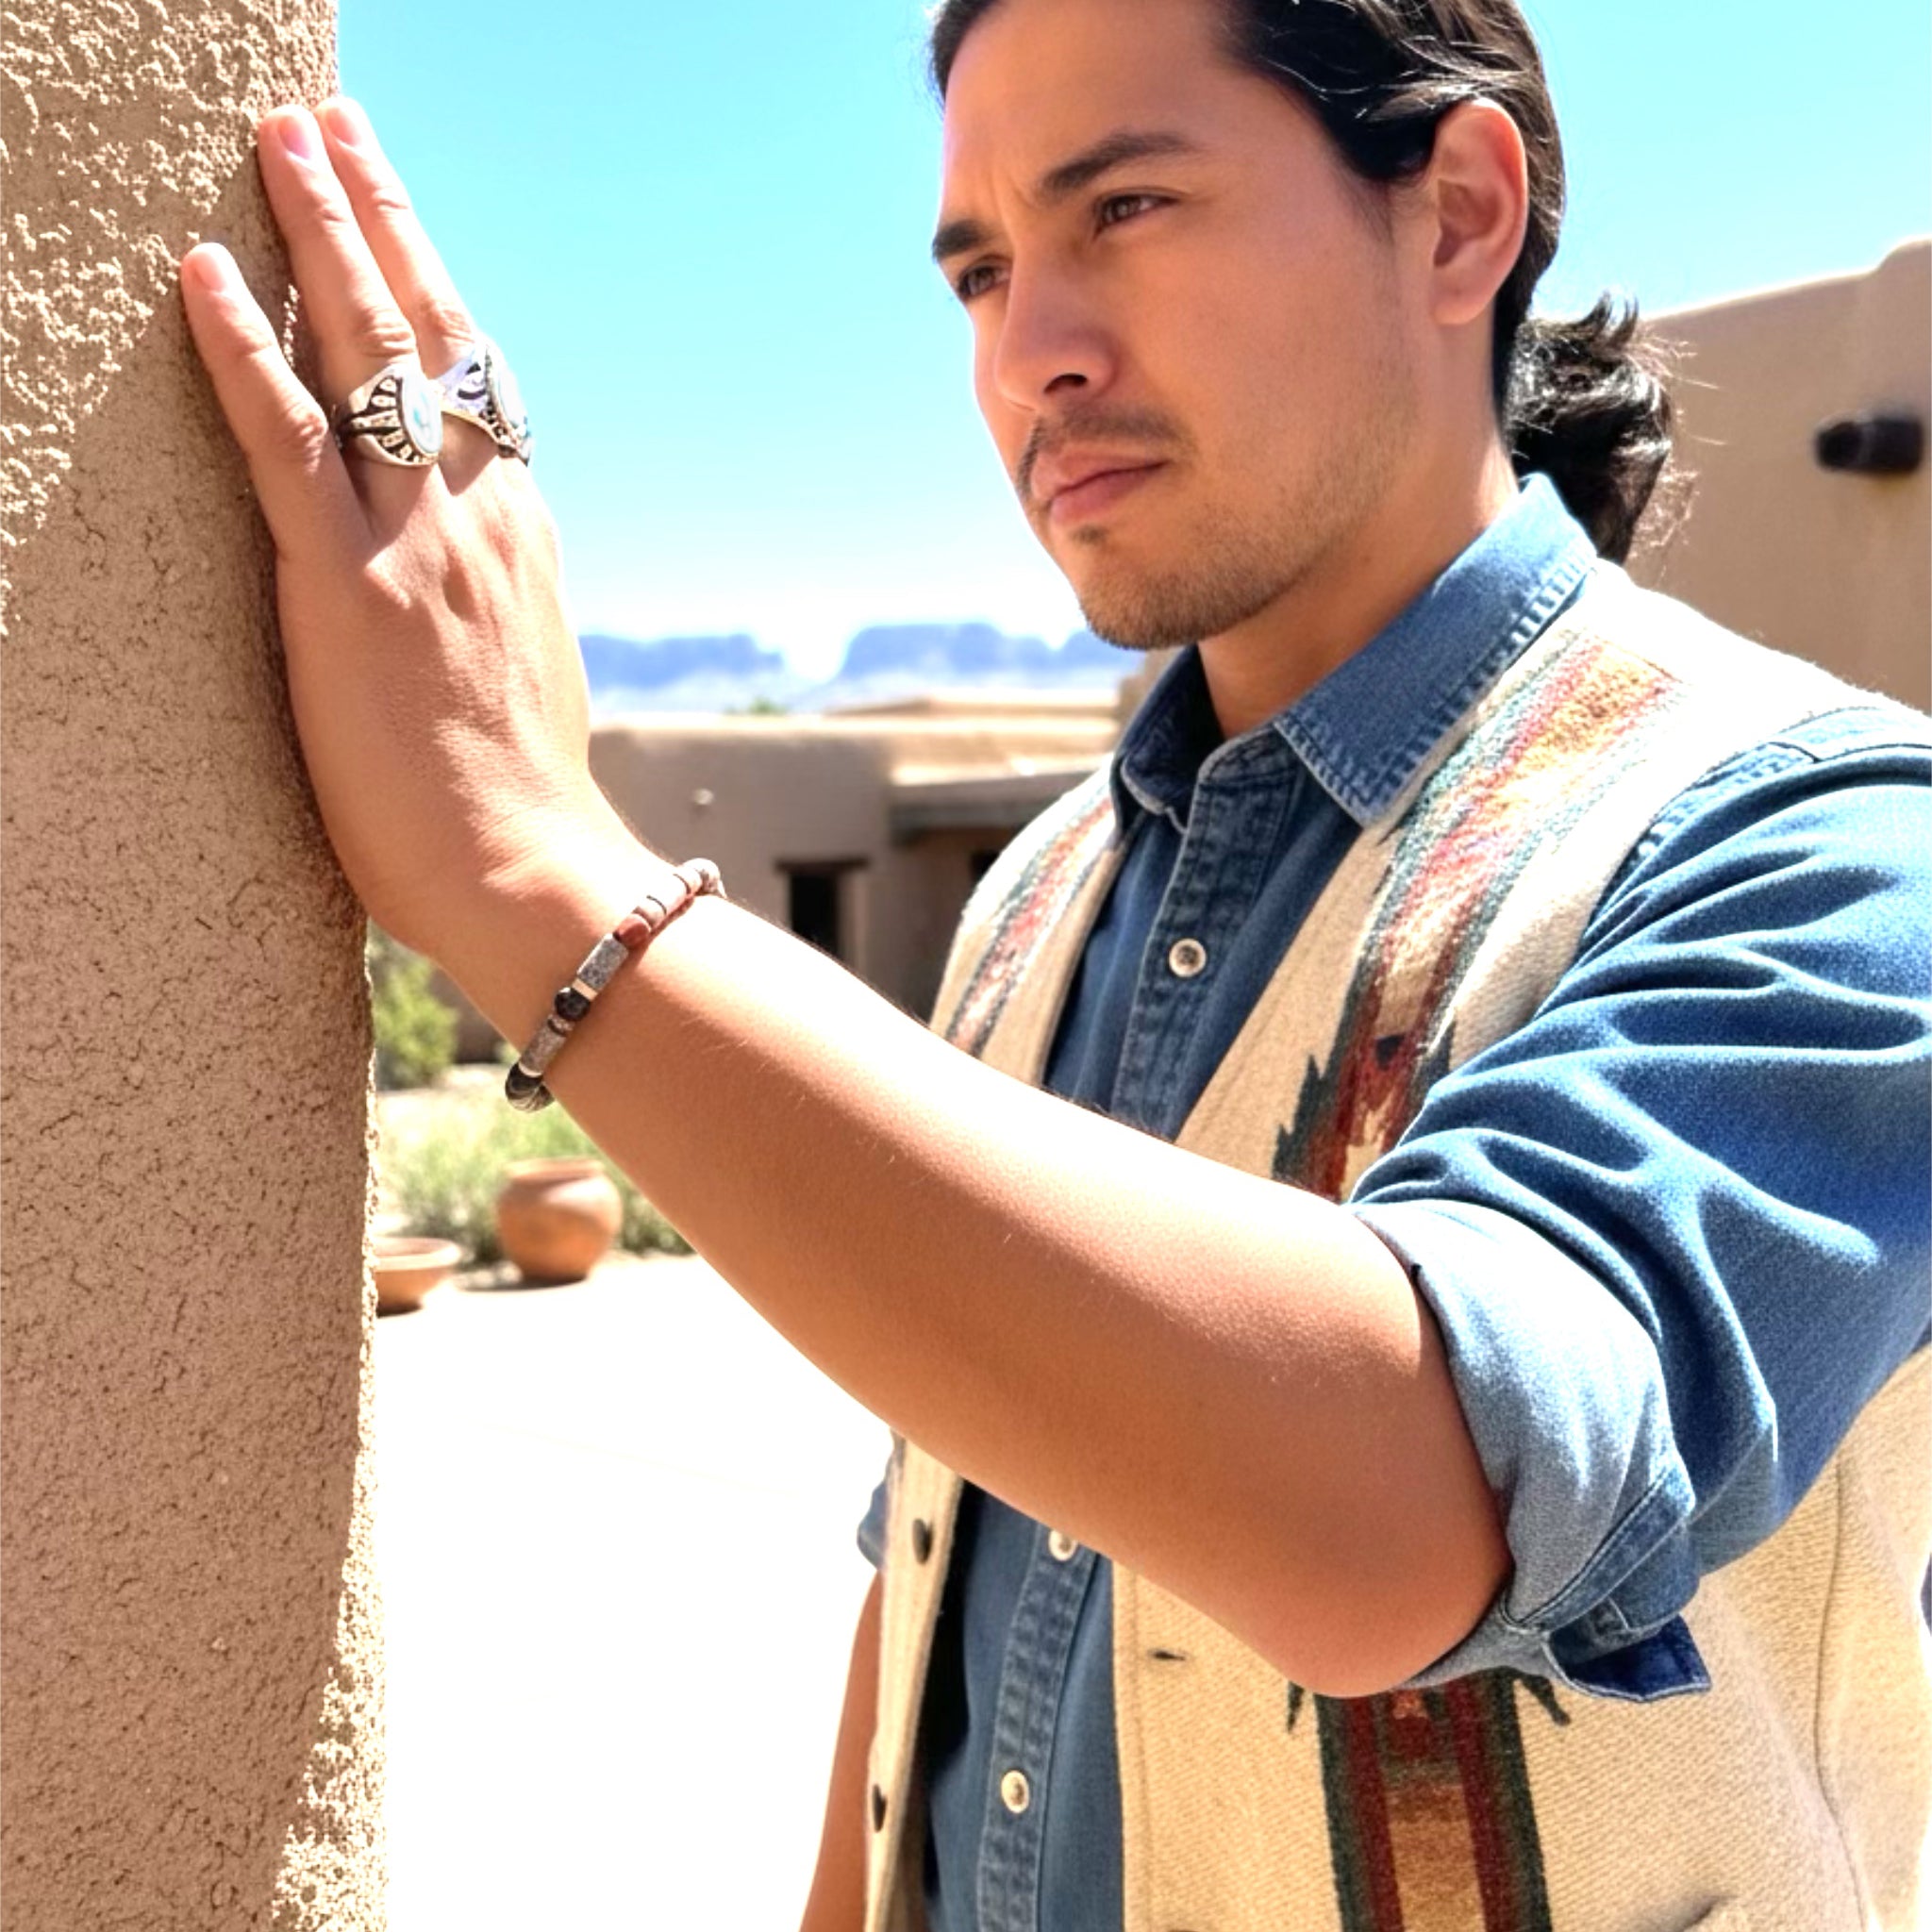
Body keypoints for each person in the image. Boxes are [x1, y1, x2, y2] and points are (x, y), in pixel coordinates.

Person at [175, 0, 1930, 1925]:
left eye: (1130, 209)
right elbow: (933, 1578)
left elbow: (1412, 1503)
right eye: (984, 270)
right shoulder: (1037, 891)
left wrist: (532, 864)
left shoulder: (1818, 840)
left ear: (1455, 215)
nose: (1032, 352)